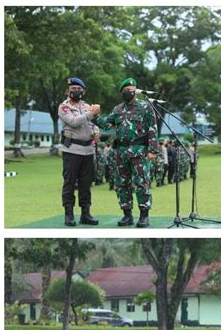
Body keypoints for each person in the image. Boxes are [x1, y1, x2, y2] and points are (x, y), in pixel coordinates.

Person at [94, 78, 157, 227]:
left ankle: (144, 216)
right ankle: (127, 215)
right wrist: (94, 116)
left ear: (135, 90)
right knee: (122, 184)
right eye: (124, 91)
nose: (127, 92)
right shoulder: (117, 109)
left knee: (142, 183)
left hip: (139, 151)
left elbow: (152, 129)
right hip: (121, 152)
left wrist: (152, 150)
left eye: (130, 89)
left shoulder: (145, 107)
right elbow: (106, 124)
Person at [58, 77, 100, 226]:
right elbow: (74, 122)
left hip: (88, 150)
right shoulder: (64, 107)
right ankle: (69, 214)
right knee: (69, 182)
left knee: (86, 184)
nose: (76, 91)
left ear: (84, 91)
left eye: (79, 89)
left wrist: (96, 131)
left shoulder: (87, 106)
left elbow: (93, 124)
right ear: (67, 91)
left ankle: (85, 213)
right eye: (73, 88)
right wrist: (92, 113)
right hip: (72, 150)